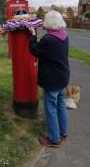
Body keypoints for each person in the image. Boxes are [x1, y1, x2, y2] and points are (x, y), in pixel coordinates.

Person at [29, 10, 70, 148]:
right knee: (60, 104)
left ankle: (53, 139)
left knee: (50, 108)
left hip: (52, 79)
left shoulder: (49, 39)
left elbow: (35, 50)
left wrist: (33, 35)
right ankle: (63, 132)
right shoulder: (64, 35)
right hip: (62, 76)